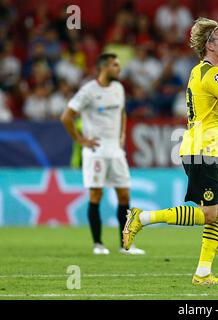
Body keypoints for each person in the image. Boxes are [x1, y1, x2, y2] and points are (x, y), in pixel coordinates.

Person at [122, 17, 218, 285]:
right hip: (202, 149)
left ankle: (203, 273)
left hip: (206, 149)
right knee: (209, 214)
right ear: (209, 45)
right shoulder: (214, 73)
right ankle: (142, 217)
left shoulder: (197, 71)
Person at [60, 53, 145, 255]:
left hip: (115, 150)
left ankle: (126, 245)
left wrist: (122, 134)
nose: (119, 69)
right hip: (95, 151)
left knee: (124, 194)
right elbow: (66, 117)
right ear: (103, 67)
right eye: (115, 65)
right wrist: (81, 140)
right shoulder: (88, 91)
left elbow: (122, 112)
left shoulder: (119, 88)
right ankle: (98, 244)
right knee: (96, 194)